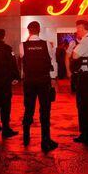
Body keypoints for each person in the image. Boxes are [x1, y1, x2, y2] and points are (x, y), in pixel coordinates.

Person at [19, 21, 58, 152]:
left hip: (29, 81)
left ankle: (26, 137)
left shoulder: (22, 45)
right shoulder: (47, 44)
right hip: (43, 80)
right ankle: (45, 140)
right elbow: (53, 62)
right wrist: (53, 79)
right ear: (39, 30)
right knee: (45, 110)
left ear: (29, 31)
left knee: (28, 109)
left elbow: (23, 62)